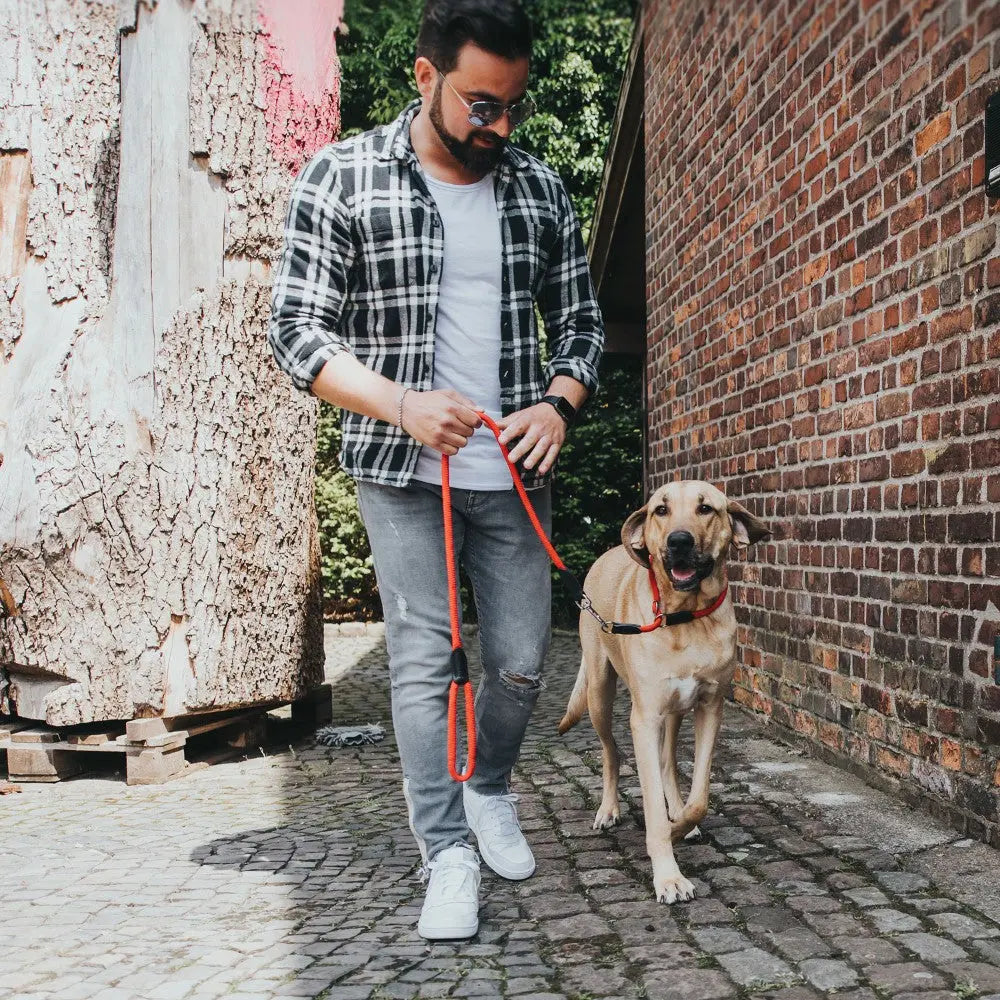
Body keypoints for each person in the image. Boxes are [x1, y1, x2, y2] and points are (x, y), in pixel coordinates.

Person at [269, 0, 604, 940]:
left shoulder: (537, 189)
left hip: (513, 472)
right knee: (422, 661)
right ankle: (447, 850)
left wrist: (558, 404)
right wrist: (403, 405)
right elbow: (296, 332)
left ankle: (489, 785)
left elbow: (582, 326)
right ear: (426, 78)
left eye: (512, 107)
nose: (497, 126)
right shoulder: (343, 178)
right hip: (399, 468)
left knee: (523, 662)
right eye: (479, 105)